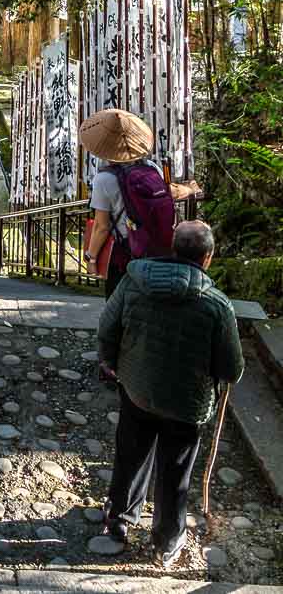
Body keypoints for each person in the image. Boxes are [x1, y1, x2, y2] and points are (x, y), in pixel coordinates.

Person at [98, 220, 243, 568]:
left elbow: (107, 327)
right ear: (207, 257)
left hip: (137, 388)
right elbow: (231, 369)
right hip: (186, 403)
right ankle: (166, 540)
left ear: (173, 248)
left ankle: (119, 520)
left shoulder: (134, 282)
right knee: (175, 470)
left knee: (131, 454)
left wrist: (114, 364)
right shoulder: (216, 305)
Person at [81, 108, 181, 298]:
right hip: (155, 248)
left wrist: (91, 257)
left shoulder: (104, 179)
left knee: (117, 304)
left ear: (104, 146)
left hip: (123, 253)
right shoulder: (152, 168)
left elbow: (101, 226)